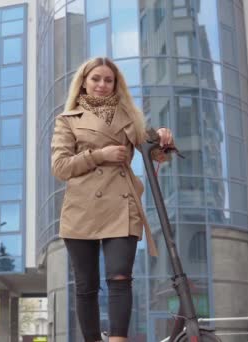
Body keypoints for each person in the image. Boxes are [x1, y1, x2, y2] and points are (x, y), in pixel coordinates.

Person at [50, 57, 175, 342]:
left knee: (120, 278)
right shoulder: (67, 121)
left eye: (108, 80)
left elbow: (156, 152)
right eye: (96, 79)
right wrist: (100, 155)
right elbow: (60, 167)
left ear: (116, 85)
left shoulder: (130, 117)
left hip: (122, 204)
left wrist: (165, 139)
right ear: (84, 81)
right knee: (87, 286)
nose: (102, 85)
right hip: (81, 208)